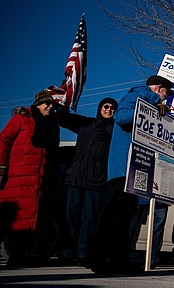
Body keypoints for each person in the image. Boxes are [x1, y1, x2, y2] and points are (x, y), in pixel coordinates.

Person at [90, 75, 173, 275]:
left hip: (136, 168)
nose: (166, 98)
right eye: (166, 93)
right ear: (159, 88)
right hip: (122, 168)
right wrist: (153, 105)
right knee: (114, 217)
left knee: (125, 217)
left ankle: (119, 260)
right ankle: (101, 260)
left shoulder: (148, 100)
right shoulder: (136, 96)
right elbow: (121, 117)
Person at [0, 90, 60, 267]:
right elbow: (4, 140)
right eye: (45, 103)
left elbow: (53, 153)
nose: (49, 106)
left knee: (32, 219)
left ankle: (22, 255)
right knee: (15, 218)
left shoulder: (52, 126)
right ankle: (16, 255)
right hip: (17, 178)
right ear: (37, 104)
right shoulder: (21, 119)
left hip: (39, 180)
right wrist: (1, 167)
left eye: (51, 103)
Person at [57, 97, 118, 268]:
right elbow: (64, 120)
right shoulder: (86, 124)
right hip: (75, 177)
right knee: (71, 216)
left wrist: (107, 138)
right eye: (105, 106)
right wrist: (63, 106)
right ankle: (67, 250)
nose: (108, 110)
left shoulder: (115, 130)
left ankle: (83, 252)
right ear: (100, 108)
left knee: (89, 218)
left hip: (96, 180)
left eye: (112, 108)